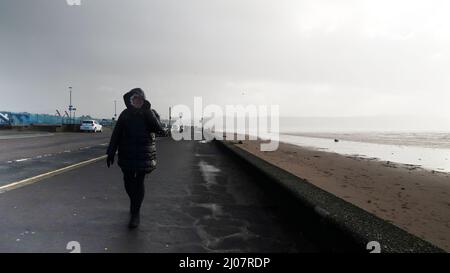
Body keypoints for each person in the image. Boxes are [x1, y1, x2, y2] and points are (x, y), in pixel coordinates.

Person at [106, 88, 163, 228]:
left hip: (144, 155)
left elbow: (159, 129)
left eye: (139, 99)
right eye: (134, 99)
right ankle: (134, 202)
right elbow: (117, 133)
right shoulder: (125, 114)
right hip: (127, 154)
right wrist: (111, 151)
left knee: (139, 182)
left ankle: (135, 213)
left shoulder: (150, 113)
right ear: (130, 101)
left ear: (143, 100)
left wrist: (147, 112)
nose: (136, 101)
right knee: (128, 181)